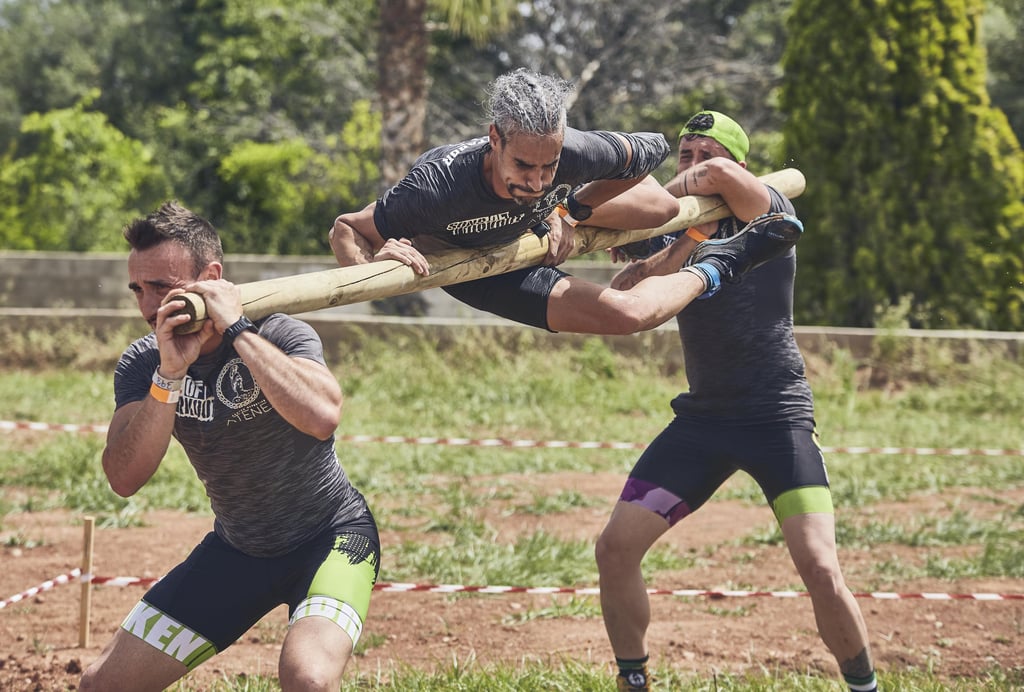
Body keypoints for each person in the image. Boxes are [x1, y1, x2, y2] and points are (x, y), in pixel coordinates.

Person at [594, 111, 879, 692]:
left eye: (706, 155)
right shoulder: (675, 230)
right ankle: (633, 680)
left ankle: (864, 685)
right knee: (615, 549)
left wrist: (670, 197)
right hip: (704, 422)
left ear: (738, 163)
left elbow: (722, 176)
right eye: (684, 156)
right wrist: (685, 232)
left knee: (821, 568)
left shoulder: (769, 213)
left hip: (777, 417)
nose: (696, 165)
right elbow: (620, 296)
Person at [80, 201, 380, 692]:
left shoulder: (278, 331)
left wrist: (237, 329)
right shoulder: (144, 362)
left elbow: (323, 417)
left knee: (308, 679)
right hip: (238, 550)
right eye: (139, 289)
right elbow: (123, 478)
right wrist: (169, 376)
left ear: (211, 276)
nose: (149, 306)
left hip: (331, 538)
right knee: (101, 686)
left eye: (162, 287)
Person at [329, 69, 803, 334]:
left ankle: (705, 252)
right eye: (523, 167)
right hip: (478, 269)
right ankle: (717, 264)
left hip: (529, 232)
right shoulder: (435, 187)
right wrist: (370, 267)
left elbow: (652, 149)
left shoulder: (576, 151)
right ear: (494, 138)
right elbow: (346, 228)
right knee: (627, 316)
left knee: (661, 209)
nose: (536, 181)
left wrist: (568, 211)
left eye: (548, 166)